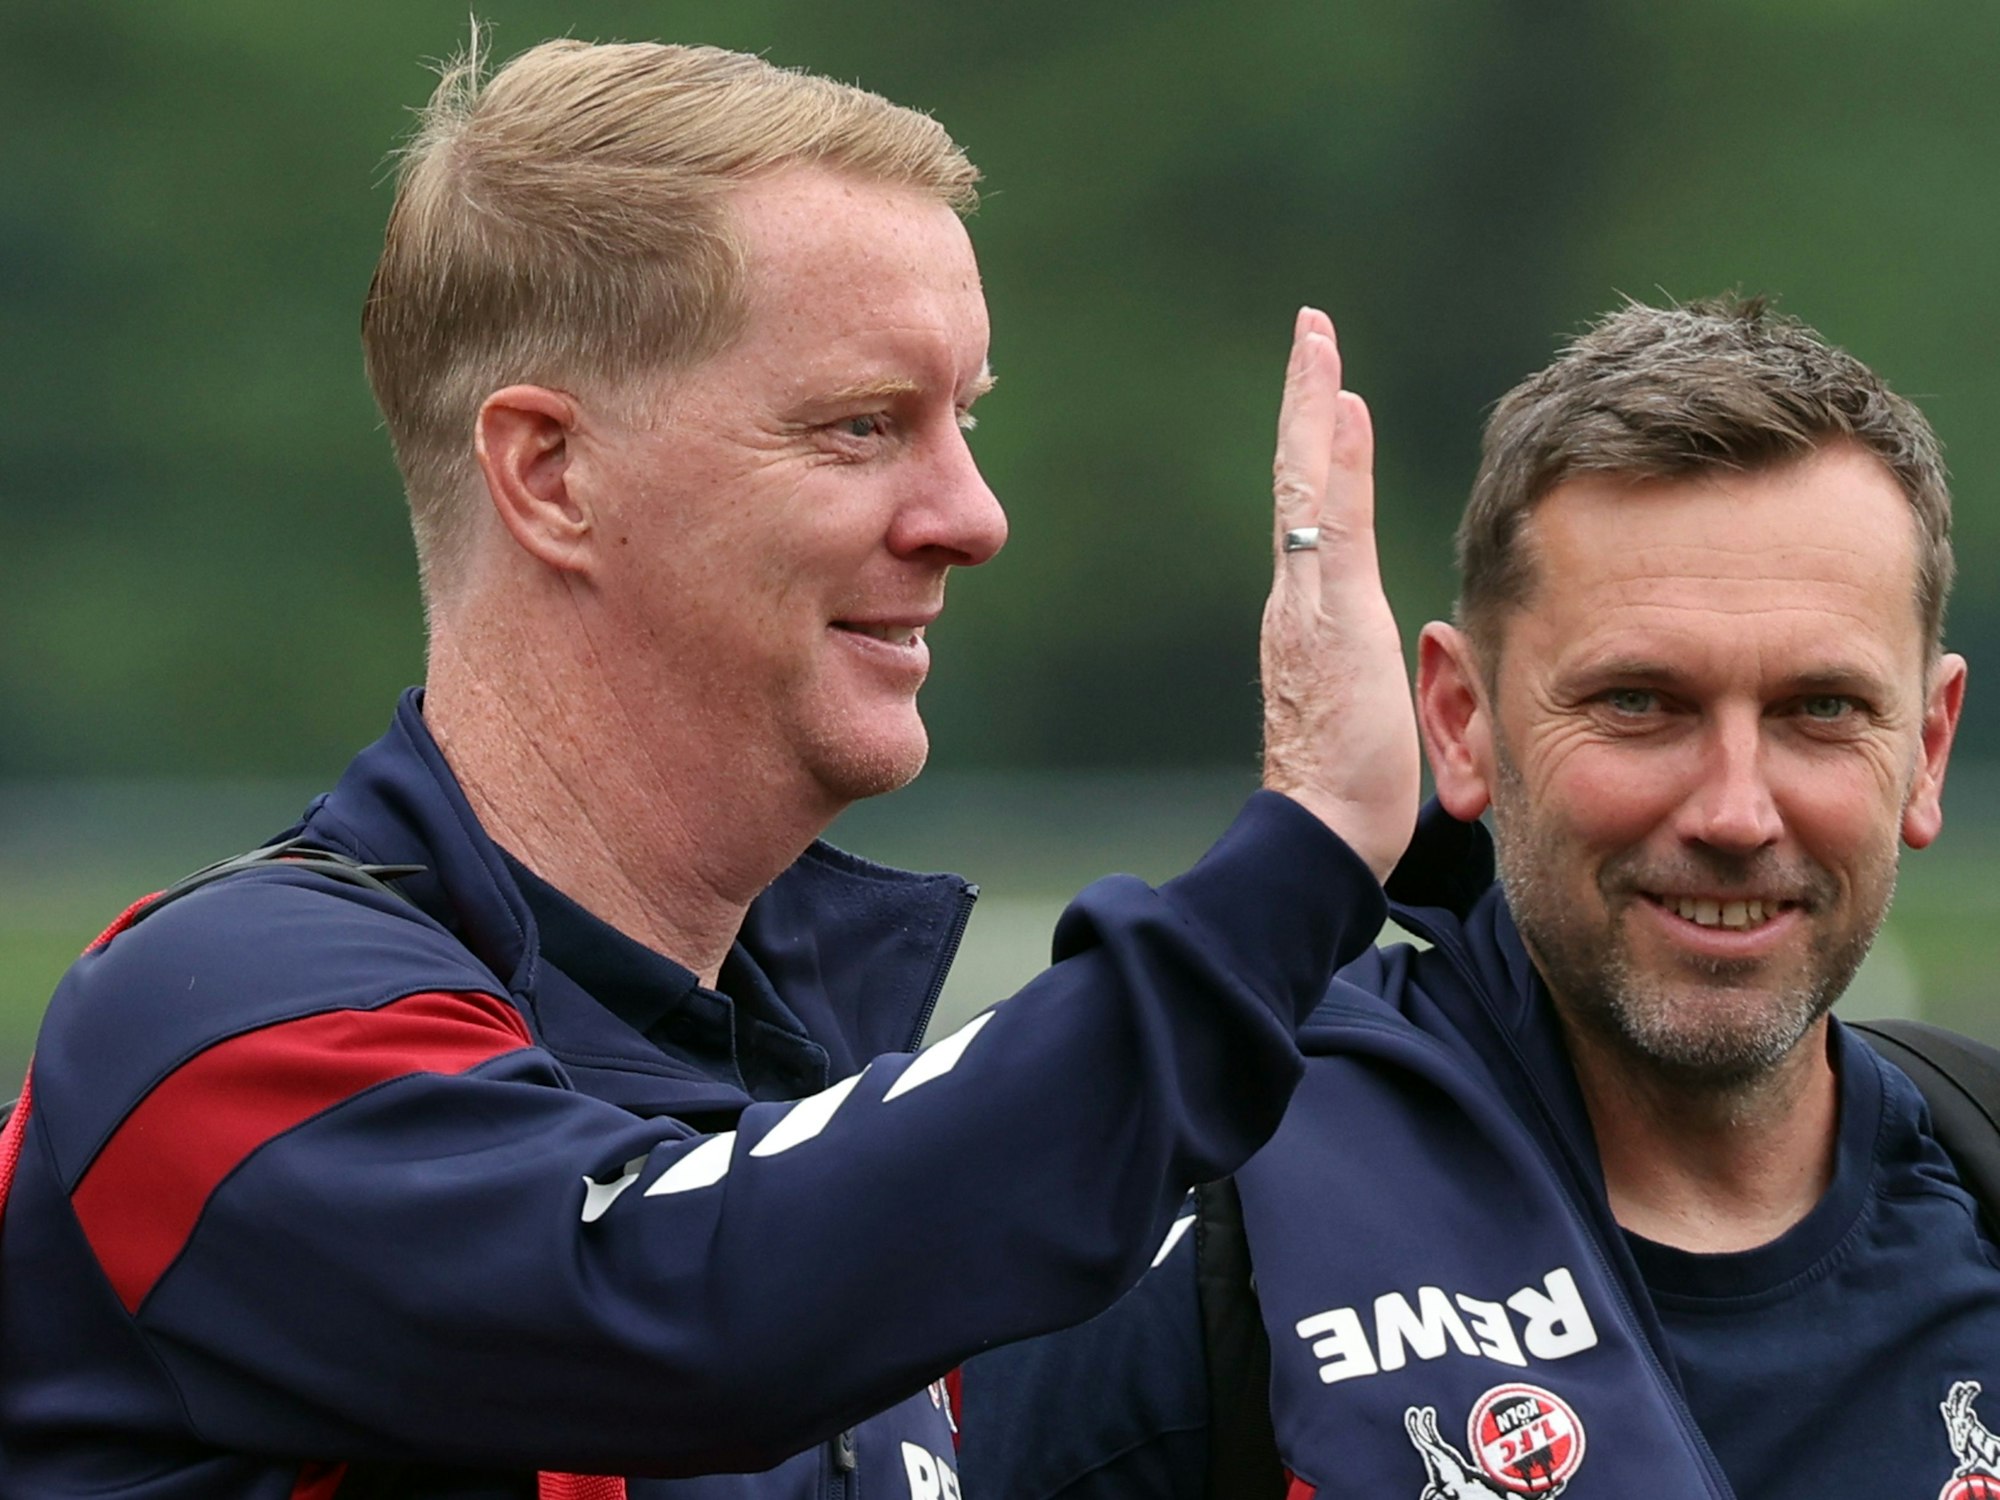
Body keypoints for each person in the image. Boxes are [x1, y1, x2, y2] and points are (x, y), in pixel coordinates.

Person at [0, 34, 1424, 1500]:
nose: (973, 515)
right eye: (862, 425)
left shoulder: (824, 1108)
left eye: (965, 418)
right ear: (551, 473)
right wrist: (1302, 850)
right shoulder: (223, 1017)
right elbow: (683, 1304)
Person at [959, 295, 2000, 1500]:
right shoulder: (1205, 1210)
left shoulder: (1974, 1185)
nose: (1733, 812)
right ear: (1459, 723)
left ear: (1926, 747)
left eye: (1819, 710)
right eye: (1635, 703)